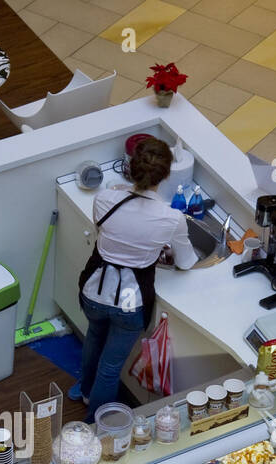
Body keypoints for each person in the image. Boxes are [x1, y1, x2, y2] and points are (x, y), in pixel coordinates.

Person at [71, 138, 198, 419]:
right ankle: (95, 422)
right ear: (166, 175)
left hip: (93, 291)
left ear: (130, 167)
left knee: (93, 337)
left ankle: (83, 390)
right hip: (130, 304)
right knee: (111, 366)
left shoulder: (104, 198)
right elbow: (187, 262)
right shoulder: (171, 218)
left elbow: (107, 233)